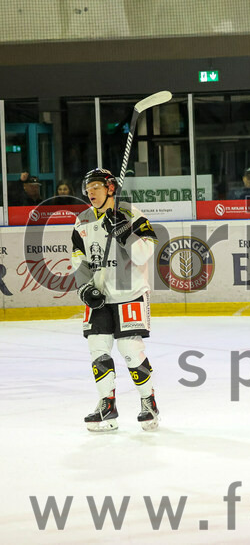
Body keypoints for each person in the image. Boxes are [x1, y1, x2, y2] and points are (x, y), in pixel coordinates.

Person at [71, 168, 161, 432]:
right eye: (88, 189)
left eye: (97, 187)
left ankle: (149, 402)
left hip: (129, 293)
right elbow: (79, 259)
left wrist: (124, 234)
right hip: (99, 296)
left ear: (111, 188)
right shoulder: (82, 221)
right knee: (98, 348)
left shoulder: (132, 214)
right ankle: (106, 405)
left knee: (130, 352)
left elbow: (145, 254)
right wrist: (84, 289)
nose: (92, 193)